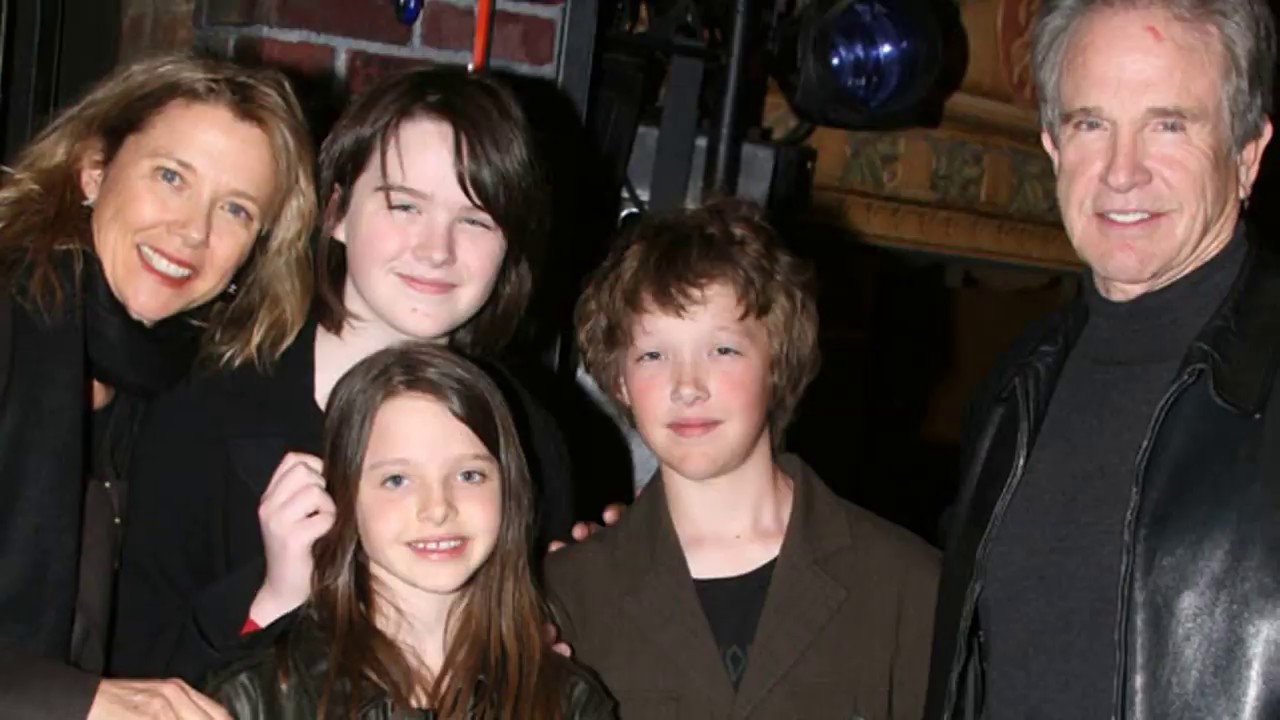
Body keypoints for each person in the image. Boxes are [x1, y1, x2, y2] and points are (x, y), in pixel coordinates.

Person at [113, 66, 575, 686]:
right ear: (335, 212)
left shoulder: (526, 438)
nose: (436, 249)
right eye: (404, 205)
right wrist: (271, 603)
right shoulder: (205, 408)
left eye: (475, 219)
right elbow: (135, 676)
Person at [925, 1, 1280, 719]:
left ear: (1247, 154)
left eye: (1168, 124)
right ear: (1053, 147)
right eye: (1091, 124)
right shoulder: (1013, 389)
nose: (1122, 172)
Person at [0, 53, 316, 719]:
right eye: (171, 177)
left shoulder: (168, 392)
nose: (193, 232)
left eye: (235, 209)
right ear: (93, 170)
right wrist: (78, 702)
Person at [545, 200, 939, 719]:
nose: (687, 386)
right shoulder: (566, 593)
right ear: (620, 380)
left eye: (722, 350)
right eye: (653, 355)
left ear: (777, 362)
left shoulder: (907, 585)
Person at [205, 343, 614, 719]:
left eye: (469, 475)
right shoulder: (254, 699)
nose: (437, 508)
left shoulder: (570, 702)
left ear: (510, 490)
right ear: (342, 496)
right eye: (397, 480)